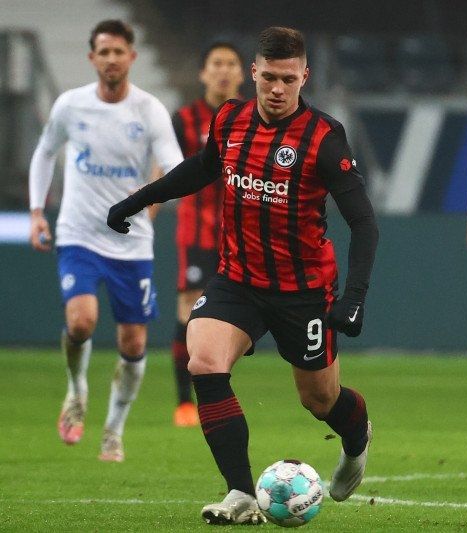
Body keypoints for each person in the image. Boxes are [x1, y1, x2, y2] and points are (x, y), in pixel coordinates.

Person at [107, 27, 378, 525]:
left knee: (319, 400)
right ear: (253, 72)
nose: (277, 89)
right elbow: (203, 168)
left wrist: (354, 297)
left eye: (288, 80)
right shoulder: (230, 117)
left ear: (304, 78)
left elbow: (363, 223)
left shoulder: (323, 136)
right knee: (203, 361)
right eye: (269, 77)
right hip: (238, 280)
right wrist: (141, 198)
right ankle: (240, 493)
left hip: (303, 291)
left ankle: (358, 438)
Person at [28, 20, 183, 462]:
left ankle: (113, 429)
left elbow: (172, 165)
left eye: (119, 51)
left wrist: (153, 202)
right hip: (78, 234)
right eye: (104, 51)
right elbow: (44, 152)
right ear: (92, 58)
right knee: (81, 322)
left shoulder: (149, 110)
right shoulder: (70, 105)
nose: (112, 58)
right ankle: (77, 389)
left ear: (132, 57)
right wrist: (39, 212)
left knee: (133, 343)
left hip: (131, 244)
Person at [170, 42, 245, 427]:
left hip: (242, 231)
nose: (223, 71)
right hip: (197, 230)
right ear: (203, 73)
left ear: (243, 72)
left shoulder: (254, 117)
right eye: (216, 63)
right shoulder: (184, 120)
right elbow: (165, 169)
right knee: (189, 308)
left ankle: (218, 392)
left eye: (230, 64)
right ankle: (185, 402)